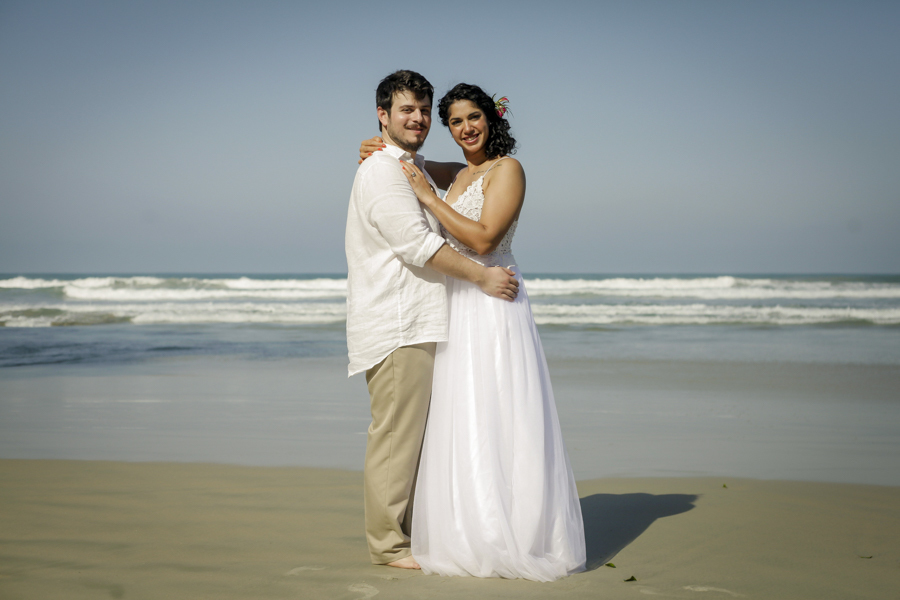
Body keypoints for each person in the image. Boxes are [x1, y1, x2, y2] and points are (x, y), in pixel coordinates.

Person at [358, 83, 586, 581]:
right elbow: (410, 159)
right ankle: (463, 525)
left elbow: (483, 236)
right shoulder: (459, 172)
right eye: (456, 122)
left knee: (499, 412)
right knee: (460, 416)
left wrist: (426, 198)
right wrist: (375, 145)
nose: (466, 128)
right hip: (458, 304)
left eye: (473, 117)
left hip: (492, 299)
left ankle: (510, 530)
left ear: (491, 118)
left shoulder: (508, 170)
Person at [345, 71, 520, 571]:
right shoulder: (384, 171)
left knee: (424, 436)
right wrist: (482, 279)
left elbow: (463, 173)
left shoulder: (413, 164)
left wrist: (386, 149)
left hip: (430, 319)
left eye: (423, 110)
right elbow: (419, 247)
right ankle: (388, 544)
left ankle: (424, 528)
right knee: (397, 437)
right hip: (400, 321)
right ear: (383, 115)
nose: (418, 118)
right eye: (407, 110)